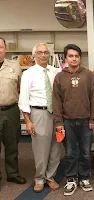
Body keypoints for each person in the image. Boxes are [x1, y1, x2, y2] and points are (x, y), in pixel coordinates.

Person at [52, 44, 94, 196]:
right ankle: (71, 179)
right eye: (70, 56)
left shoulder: (88, 75)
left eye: (76, 56)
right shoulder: (60, 76)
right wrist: (58, 122)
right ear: (66, 58)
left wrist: (93, 118)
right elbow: (56, 101)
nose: (74, 58)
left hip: (86, 121)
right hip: (67, 121)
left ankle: (84, 177)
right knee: (71, 152)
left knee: (85, 152)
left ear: (80, 58)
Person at [18, 43, 61, 192]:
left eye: (46, 52)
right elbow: (23, 99)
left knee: (56, 148)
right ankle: (39, 179)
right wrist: (28, 121)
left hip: (56, 114)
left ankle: (50, 177)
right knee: (41, 149)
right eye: (40, 52)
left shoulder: (55, 71)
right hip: (38, 113)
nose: (43, 55)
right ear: (34, 55)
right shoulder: (28, 74)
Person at [0, 37, 26, 188]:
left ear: (5, 49)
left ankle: (12, 174)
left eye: (1, 47)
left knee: (12, 144)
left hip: (11, 110)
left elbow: (21, 87)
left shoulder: (15, 66)